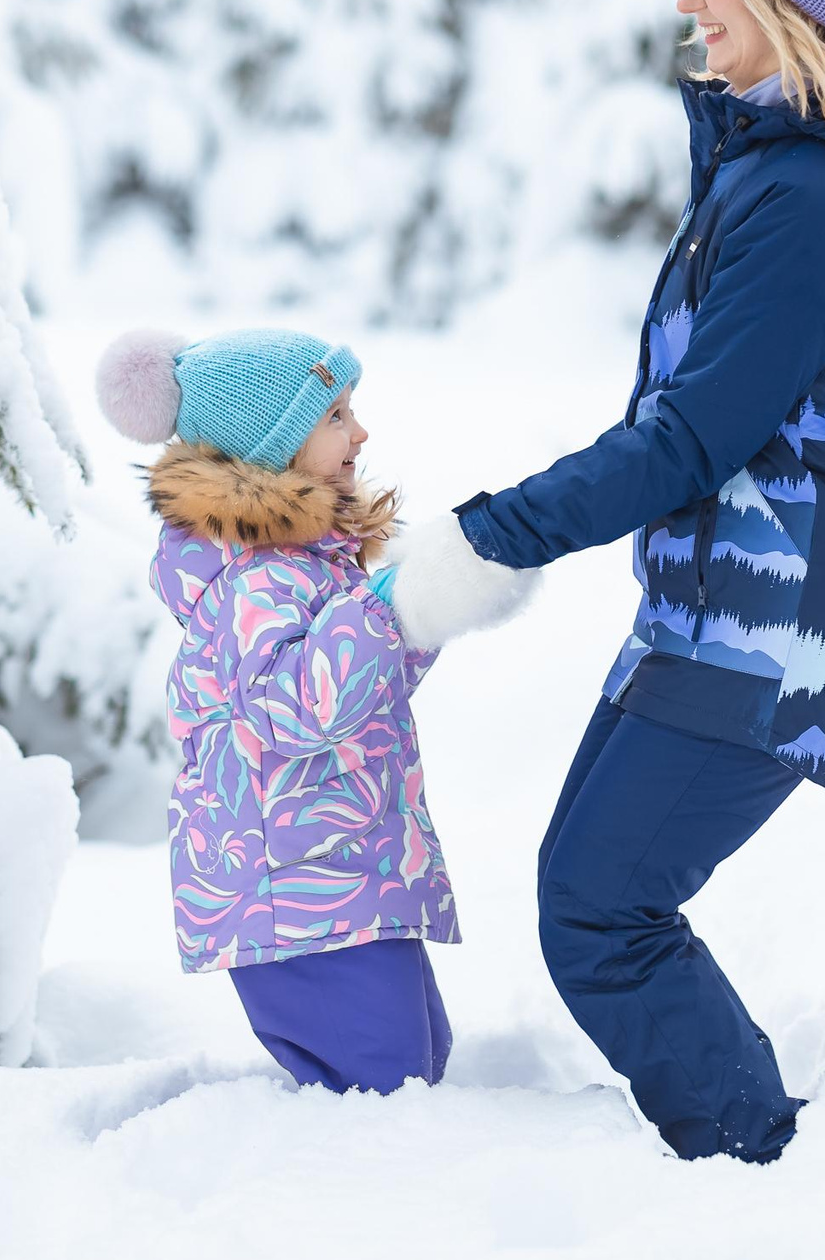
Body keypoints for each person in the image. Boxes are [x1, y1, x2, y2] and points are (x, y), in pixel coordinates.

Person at [394, 0, 825, 1161]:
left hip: (773, 626)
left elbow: (694, 434)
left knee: (600, 906)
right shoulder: (769, 178)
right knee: (587, 891)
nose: (685, 2)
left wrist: (494, 536)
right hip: (716, 608)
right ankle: (748, 1147)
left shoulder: (819, 198)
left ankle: (758, 1163)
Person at [94, 326, 537, 1093]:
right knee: (384, 1086)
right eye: (334, 416)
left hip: (338, 873)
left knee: (417, 1060)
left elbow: (360, 680)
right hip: (294, 892)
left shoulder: (303, 559)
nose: (360, 431)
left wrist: (429, 602)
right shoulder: (249, 577)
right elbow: (297, 702)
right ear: (273, 443)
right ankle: (338, 1203)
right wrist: (391, 604)